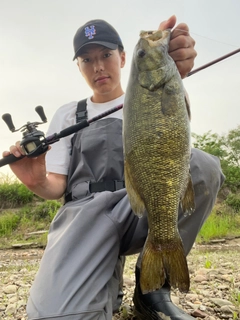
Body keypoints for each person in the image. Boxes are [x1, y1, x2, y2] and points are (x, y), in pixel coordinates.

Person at [3, 16, 224, 320]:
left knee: (204, 165)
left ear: (122, 57)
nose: (98, 67)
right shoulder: (68, 114)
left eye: (106, 55)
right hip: (86, 216)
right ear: (78, 66)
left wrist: (175, 69)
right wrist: (37, 181)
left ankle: (153, 290)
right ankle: (106, 277)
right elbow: (56, 186)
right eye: (86, 59)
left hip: (139, 210)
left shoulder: (153, 94)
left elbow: (177, 143)